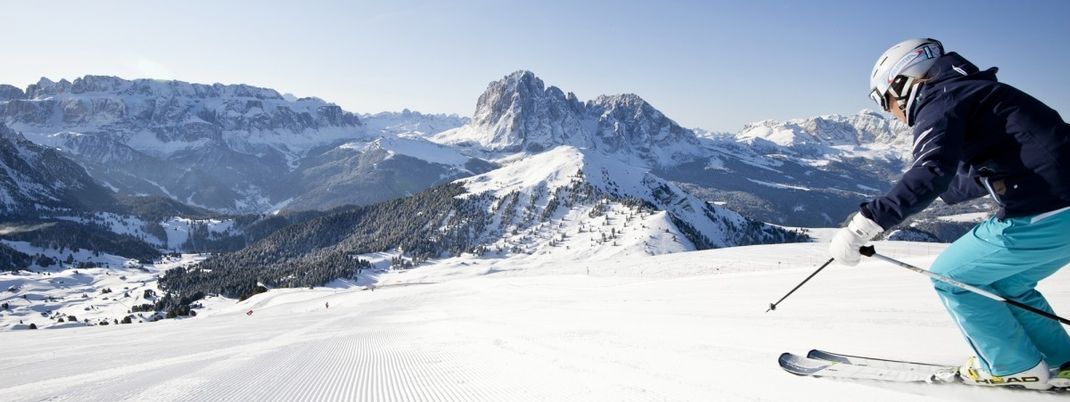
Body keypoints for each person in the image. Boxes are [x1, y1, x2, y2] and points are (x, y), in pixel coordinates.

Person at [830, 38, 1070, 390]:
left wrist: (864, 226)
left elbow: (931, 170)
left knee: (951, 276)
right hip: (1059, 212)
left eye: (885, 101)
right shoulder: (974, 92)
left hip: (1048, 211)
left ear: (902, 84)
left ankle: (1011, 366)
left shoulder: (940, 98)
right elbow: (980, 172)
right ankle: (1061, 360)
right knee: (1007, 283)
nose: (891, 113)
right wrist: (921, 200)